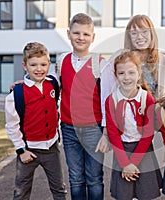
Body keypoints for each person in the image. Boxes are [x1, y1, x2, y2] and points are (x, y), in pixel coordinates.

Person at [55, 13, 115, 199]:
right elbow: (49, 85)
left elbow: (107, 100)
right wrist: (22, 83)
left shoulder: (101, 64)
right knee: (75, 178)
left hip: (94, 130)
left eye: (86, 34)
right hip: (69, 129)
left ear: (93, 37)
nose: (81, 38)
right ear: (68, 34)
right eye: (76, 33)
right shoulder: (61, 61)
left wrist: (106, 133)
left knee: (94, 178)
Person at [5, 42, 67, 200]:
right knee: (21, 192)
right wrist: (21, 151)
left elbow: (66, 64)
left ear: (49, 65)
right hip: (28, 150)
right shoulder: (16, 94)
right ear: (25, 66)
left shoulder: (53, 83)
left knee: (59, 189)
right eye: (33, 65)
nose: (39, 69)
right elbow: (12, 126)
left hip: (51, 148)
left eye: (43, 64)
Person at [105, 50, 162, 200]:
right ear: (116, 75)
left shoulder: (146, 98)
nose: (126, 77)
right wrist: (125, 164)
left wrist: (134, 163)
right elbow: (113, 133)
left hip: (143, 150)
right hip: (122, 151)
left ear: (139, 73)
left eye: (131, 72)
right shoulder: (111, 100)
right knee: (124, 194)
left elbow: (148, 133)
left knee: (145, 193)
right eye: (121, 73)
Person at [109, 14, 165, 99]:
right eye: (134, 33)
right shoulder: (120, 56)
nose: (140, 37)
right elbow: (108, 86)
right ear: (129, 37)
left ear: (151, 33)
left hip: (153, 109)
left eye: (144, 32)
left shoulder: (162, 59)